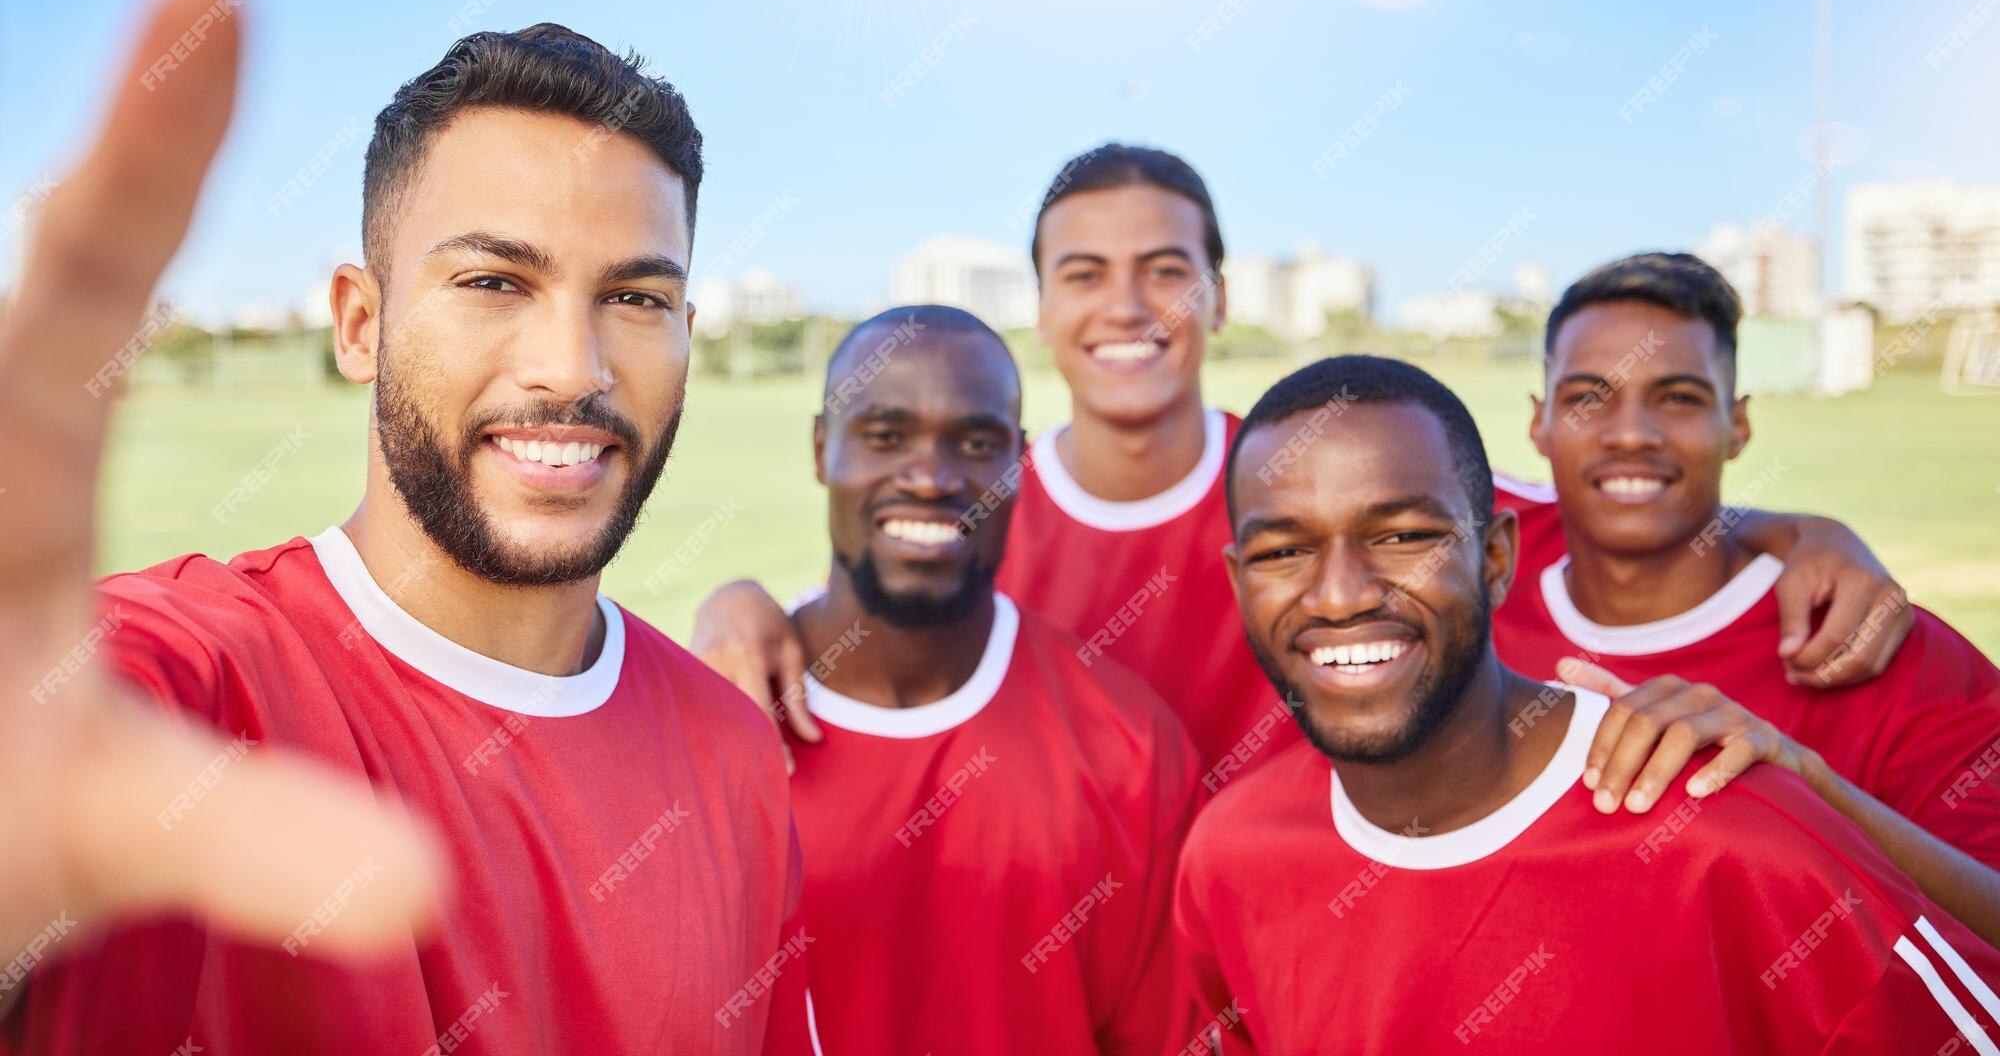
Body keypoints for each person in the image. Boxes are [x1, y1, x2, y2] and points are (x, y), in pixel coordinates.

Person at [1, 0, 807, 1053]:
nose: (572, 366)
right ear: (360, 323)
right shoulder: (178, 683)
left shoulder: (734, 752)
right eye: (491, 279)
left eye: (635, 298)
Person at [693, 144, 1916, 787]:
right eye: (1084, 272)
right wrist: (732, 602)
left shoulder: (1316, 485)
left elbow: (1600, 504)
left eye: (1166, 267)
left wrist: (1788, 527)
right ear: (1044, 308)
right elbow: (869, 610)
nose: (1128, 304)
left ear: (1218, 295)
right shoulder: (987, 501)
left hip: (1313, 918)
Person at [1172, 354, 2000, 1054]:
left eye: (1404, 536)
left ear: (1496, 560)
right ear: (1239, 578)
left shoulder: (1728, 830)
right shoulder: (1227, 857)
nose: (1342, 594)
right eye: (1285, 549)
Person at [1488, 251, 2000, 939]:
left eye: (1678, 398)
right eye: (1587, 396)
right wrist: (1792, 527)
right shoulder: (1464, 554)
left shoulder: (1875, 643)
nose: (1632, 432)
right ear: (1539, 424)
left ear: (1739, 425)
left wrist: (1807, 787)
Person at [787, 305, 1198, 1053]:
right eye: (885, 436)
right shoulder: (718, 719)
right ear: (823, 449)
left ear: (1020, 461)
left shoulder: (1130, 742)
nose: (932, 477)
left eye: (976, 443)